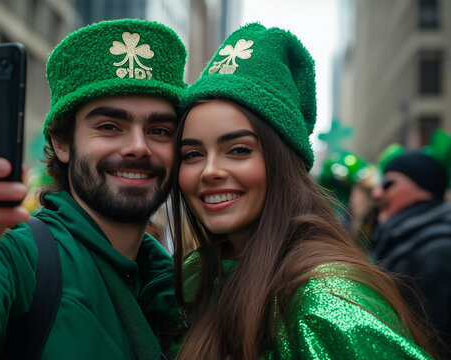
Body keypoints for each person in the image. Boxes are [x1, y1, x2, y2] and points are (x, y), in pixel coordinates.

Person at [0, 19, 186, 359]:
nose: (138, 147)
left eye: (160, 130)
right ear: (61, 143)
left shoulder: (183, 288)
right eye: (109, 126)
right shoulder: (19, 257)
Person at [169, 23, 435, 359]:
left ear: (283, 164)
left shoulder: (327, 304)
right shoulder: (193, 279)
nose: (210, 171)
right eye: (192, 154)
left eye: (238, 150)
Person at [371, 140, 451, 356]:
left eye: (389, 184)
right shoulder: (407, 240)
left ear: (422, 188)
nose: (377, 194)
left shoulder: (439, 250)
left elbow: (435, 343)